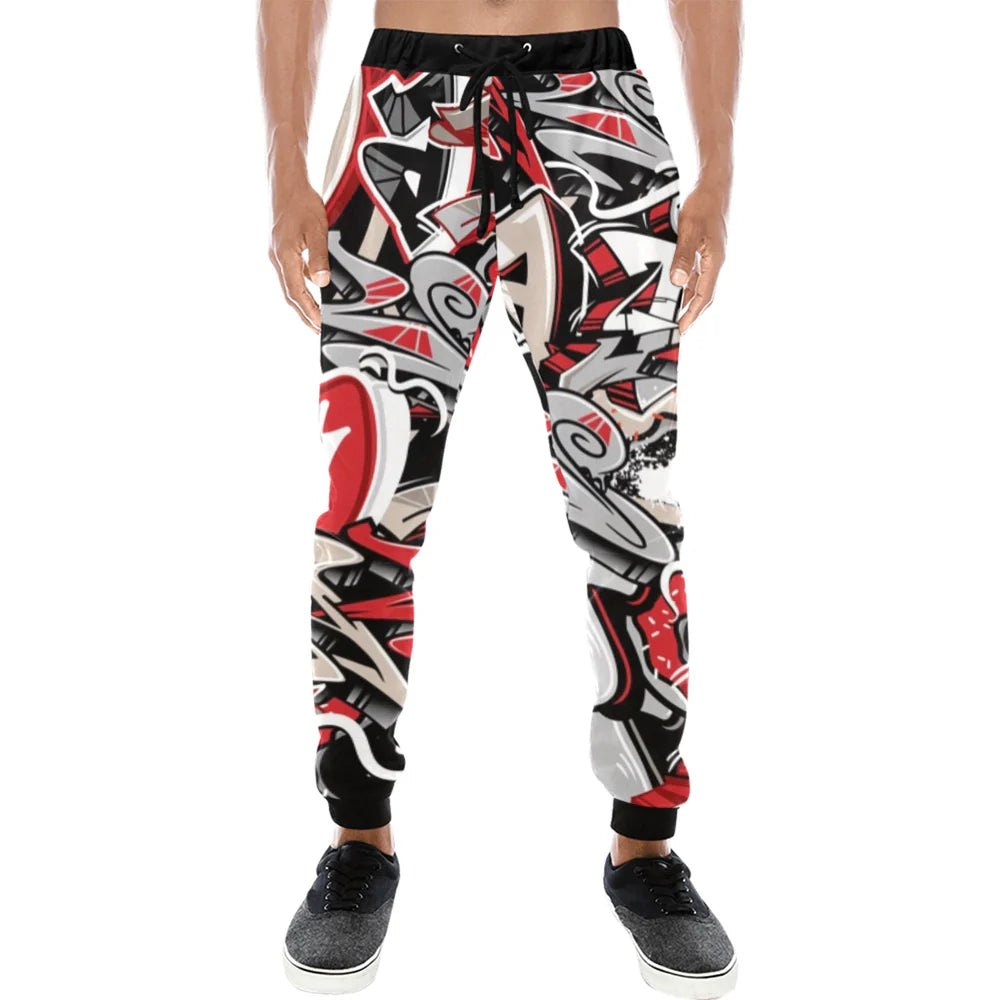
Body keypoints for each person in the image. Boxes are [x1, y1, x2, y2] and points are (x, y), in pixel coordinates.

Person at [258, 0, 742, 994]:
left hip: (594, 115)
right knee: (366, 507)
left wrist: (719, 174)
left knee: (632, 512)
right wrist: (284, 167)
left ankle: (646, 846)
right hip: (402, 120)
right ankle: (359, 839)